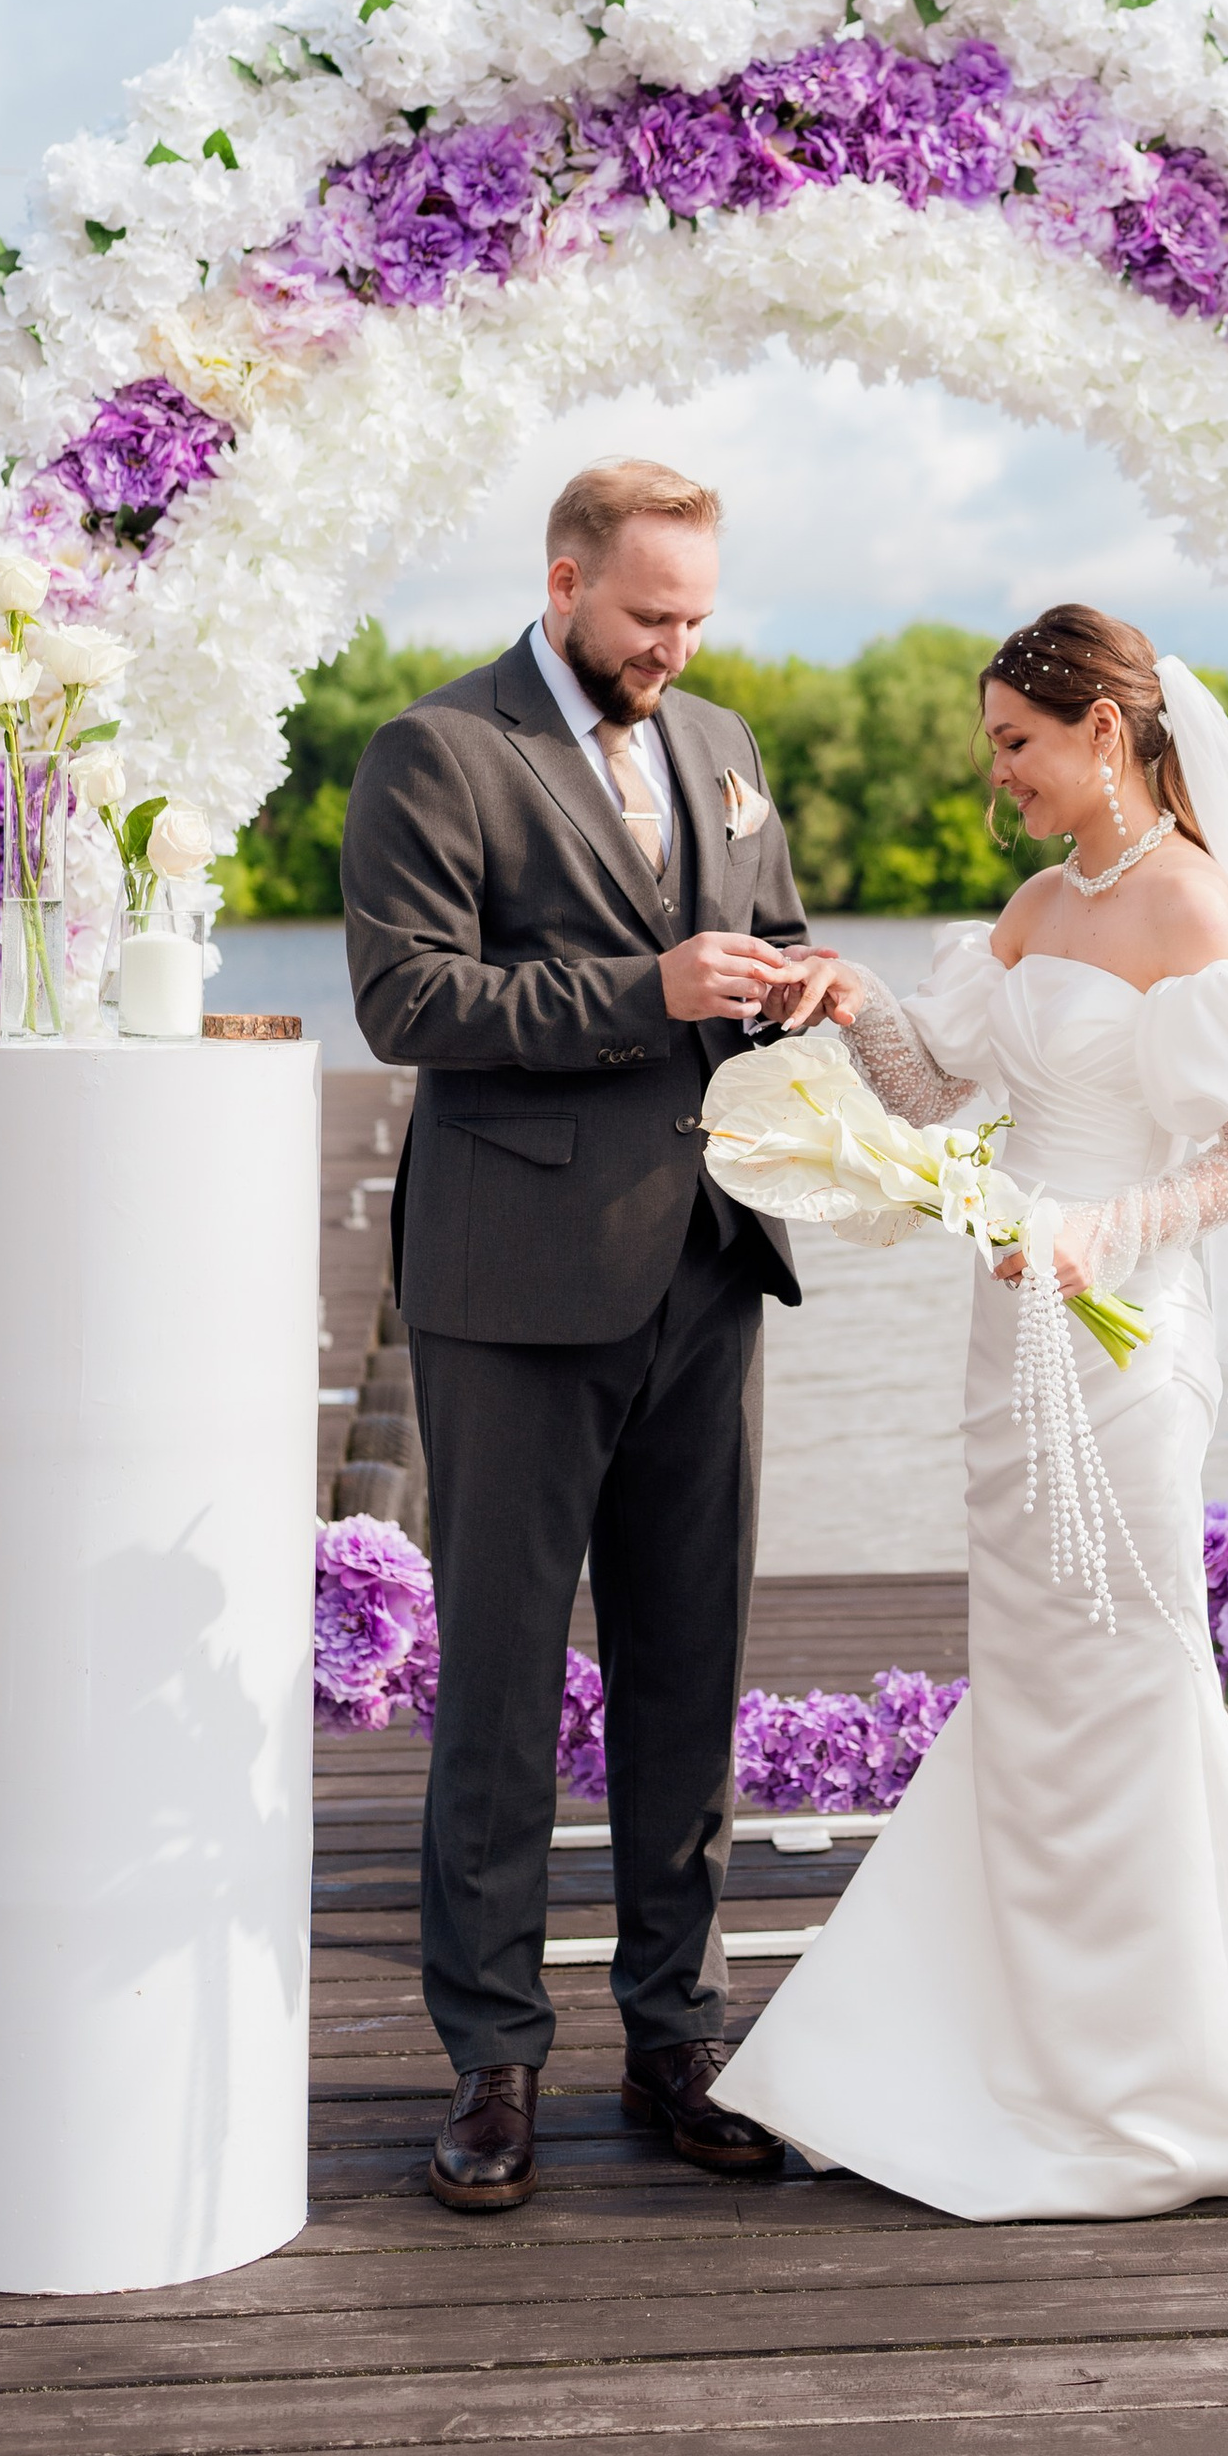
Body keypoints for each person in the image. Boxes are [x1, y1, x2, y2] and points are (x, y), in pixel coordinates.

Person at [725, 604, 1228, 2218]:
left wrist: (1102, 1233)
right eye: (994, 746)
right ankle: (1016, 2048)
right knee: (1030, 1678)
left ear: (1106, 733)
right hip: (1009, 1329)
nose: (998, 774)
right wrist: (854, 1000)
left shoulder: (1194, 901)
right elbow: (943, 1094)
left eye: (1017, 743)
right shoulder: (1039, 903)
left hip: (1129, 1340)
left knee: (1127, 1676)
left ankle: (1166, 2070)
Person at [340, 457, 839, 2212]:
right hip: (514, 1285)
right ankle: (491, 2063)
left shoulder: (722, 743)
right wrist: (652, 990)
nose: (674, 647)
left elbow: (765, 935)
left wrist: (800, 983)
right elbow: (407, 999)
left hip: (713, 1263)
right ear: (563, 584)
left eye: (696, 617)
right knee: (496, 1688)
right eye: (647, 616)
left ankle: (676, 2035)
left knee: (689, 1669)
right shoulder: (434, 750)